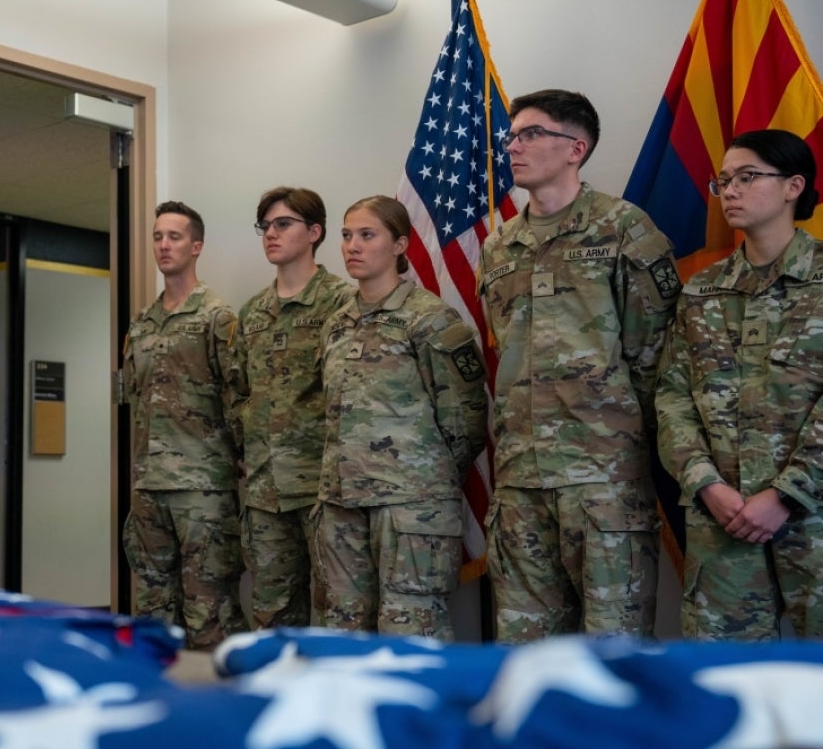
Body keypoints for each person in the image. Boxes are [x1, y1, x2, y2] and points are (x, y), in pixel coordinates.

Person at [478, 89, 681, 642]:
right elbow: (504, 347)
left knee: (612, 652)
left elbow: (655, 352)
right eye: (512, 136)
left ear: (576, 148)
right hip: (520, 477)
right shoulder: (498, 248)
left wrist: (610, 430)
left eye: (530, 134)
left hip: (603, 479)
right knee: (527, 657)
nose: (513, 147)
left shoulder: (623, 228)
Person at [657, 129, 823, 640]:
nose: (729, 190)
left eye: (747, 177)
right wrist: (706, 483)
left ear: (794, 186)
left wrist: (786, 492)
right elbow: (672, 398)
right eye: (723, 181)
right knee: (722, 682)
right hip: (722, 520)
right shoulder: (703, 290)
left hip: (814, 518)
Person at [316, 195, 487, 639]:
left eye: (367, 235)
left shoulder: (429, 319)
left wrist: (420, 482)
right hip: (341, 504)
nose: (352, 245)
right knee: (343, 633)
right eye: (347, 235)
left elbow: (465, 418)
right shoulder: (337, 323)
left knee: (412, 632)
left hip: (411, 509)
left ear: (400, 245)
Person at [121, 200, 246, 649]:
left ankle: (217, 704)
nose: (163, 245)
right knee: (153, 609)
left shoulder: (217, 316)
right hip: (149, 486)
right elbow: (131, 400)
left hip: (202, 488)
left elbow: (239, 401)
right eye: (157, 236)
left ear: (196, 246)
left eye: (174, 236)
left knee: (208, 609)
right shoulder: (141, 324)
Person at [231, 186, 353, 628]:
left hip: (323, 486)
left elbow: (353, 394)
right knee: (272, 610)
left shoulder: (342, 303)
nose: (271, 234)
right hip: (266, 489)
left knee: (336, 610)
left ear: (315, 231)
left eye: (283, 224)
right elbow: (237, 389)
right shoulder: (253, 312)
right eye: (265, 226)